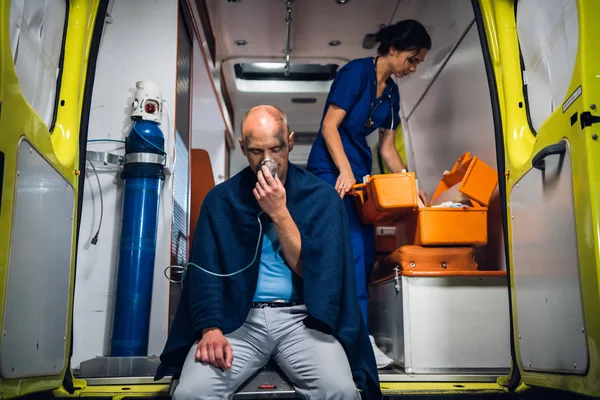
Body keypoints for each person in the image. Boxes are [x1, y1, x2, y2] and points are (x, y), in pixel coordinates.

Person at [155, 105, 381, 399]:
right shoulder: (220, 200)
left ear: (290, 142)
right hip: (238, 321)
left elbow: (317, 273)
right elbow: (204, 274)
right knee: (190, 392)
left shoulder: (322, 198)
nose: (267, 161)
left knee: (340, 390)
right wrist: (210, 329)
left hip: (301, 321)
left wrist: (279, 212)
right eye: (256, 152)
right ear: (243, 149)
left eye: (275, 149)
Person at [306, 19, 432, 369]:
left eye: (418, 62)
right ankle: (326, 338)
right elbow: (329, 126)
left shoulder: (391, 92)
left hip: (359, 176)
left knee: (361, 253)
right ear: (393, 50)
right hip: (330, 170)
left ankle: (359, 340)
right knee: (335, 253)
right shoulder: (354, 74)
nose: (413, 67)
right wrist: (343, 170)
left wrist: (410, 182)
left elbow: (388, 149)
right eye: (412, 59)